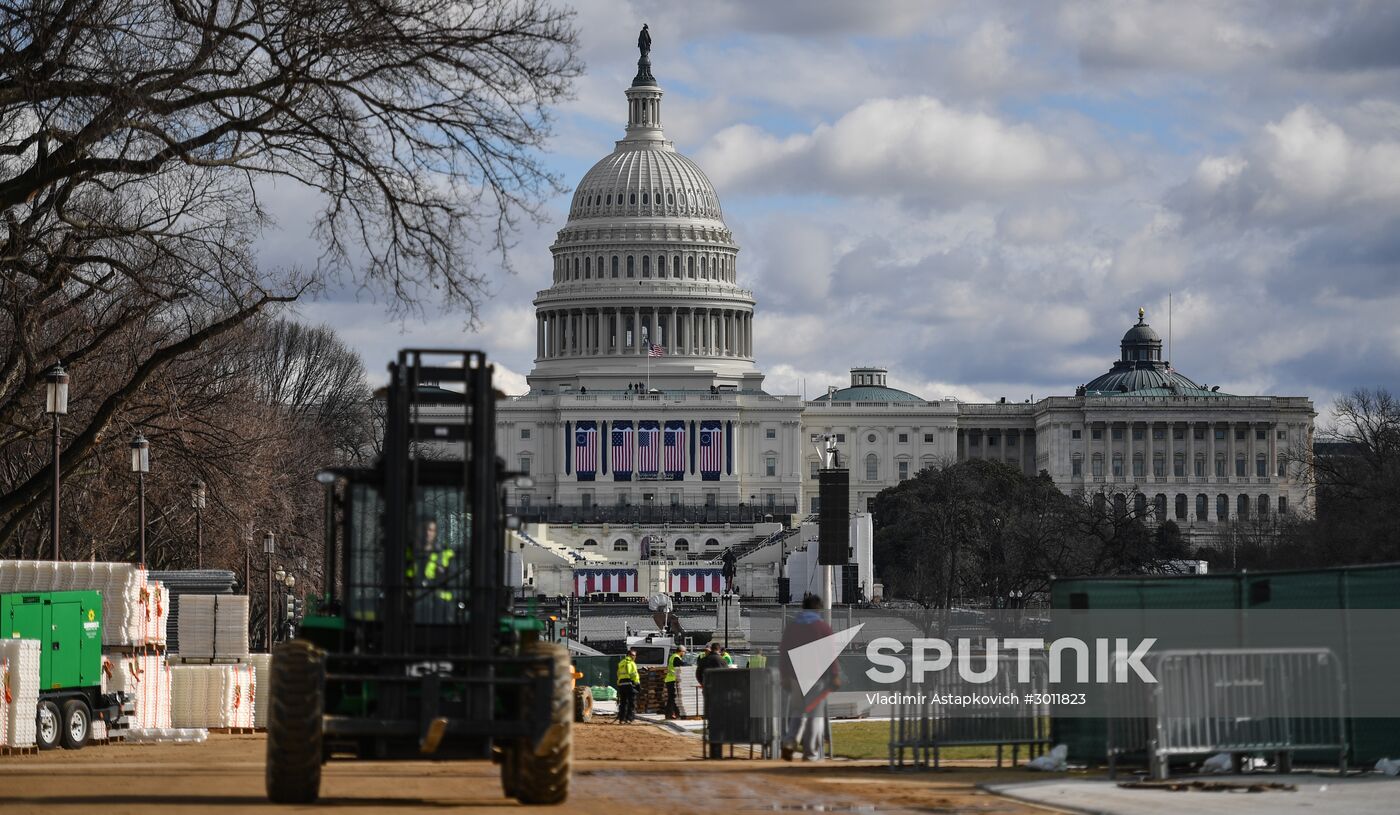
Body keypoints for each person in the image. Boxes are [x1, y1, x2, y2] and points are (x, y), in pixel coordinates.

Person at [779, 594, 840, 761]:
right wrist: (834, 674)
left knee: (798, 712)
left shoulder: (792, 627)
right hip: (816, 677)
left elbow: (784, 653)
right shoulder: (823, 627)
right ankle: (810, 753)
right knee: (815, 716)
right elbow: (830, 654)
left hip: (795, 677)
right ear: (818, 609)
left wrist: (784, 675)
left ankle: (789, 742)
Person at [616, 649, 640, 723]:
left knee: (623, 702)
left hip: (621, 684)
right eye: (634, 655)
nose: (635, 657)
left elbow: (618, 674)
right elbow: (634, 674)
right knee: (631, 702)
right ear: (630, 655)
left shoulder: (621, 663)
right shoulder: (632, 663)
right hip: (630, 684)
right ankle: (630, 719)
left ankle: (622, 719)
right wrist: (637, 684)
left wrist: (619, 683)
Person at [664, 645, 687, 719]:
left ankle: (672, 714)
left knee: (672, 698)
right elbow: (682, 665)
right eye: (684, 652)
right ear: (681, 651)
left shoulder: (673, 656)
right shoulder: (676, 658)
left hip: (670, 679)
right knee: (672, 698)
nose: (684, 654)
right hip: (672, 679)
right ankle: (669, 714)